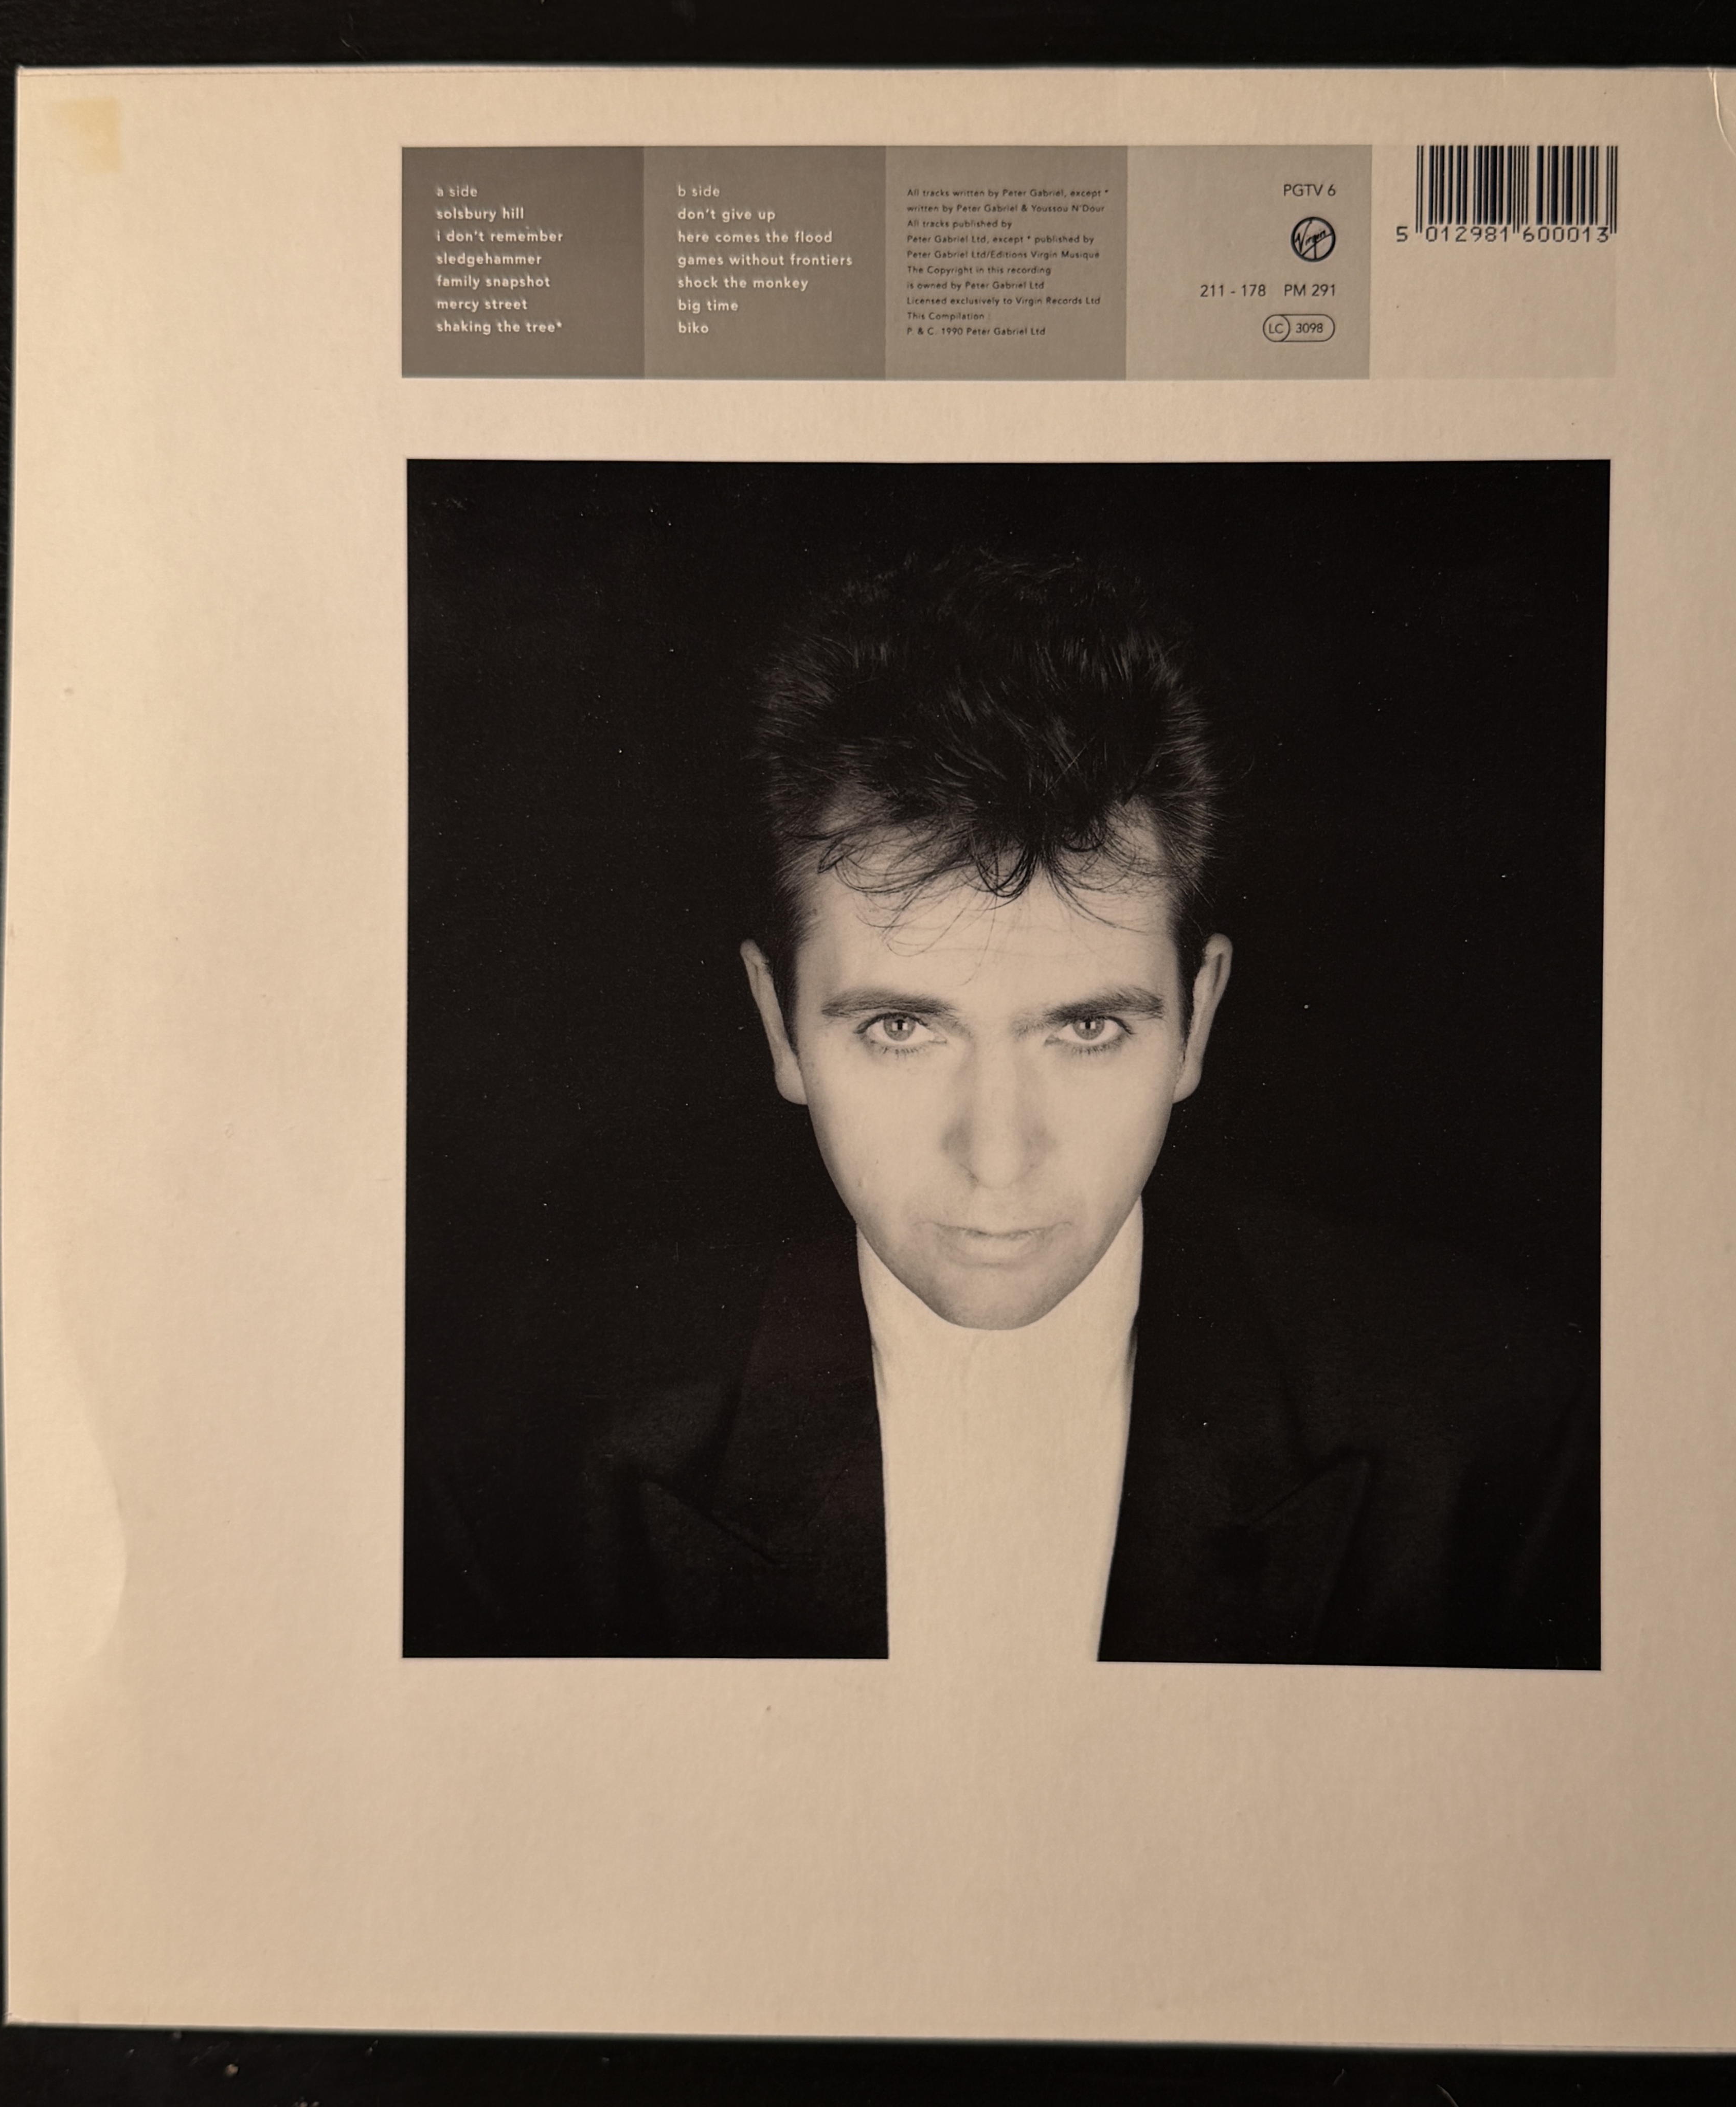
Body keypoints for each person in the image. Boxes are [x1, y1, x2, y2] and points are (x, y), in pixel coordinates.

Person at [406, 550, 1596, 1666]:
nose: (994, 1157)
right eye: (901, 1028)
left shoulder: (1493, 1442)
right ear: (779, 1026)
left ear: (1197, 1021)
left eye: (1084, 1029)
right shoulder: (520, 1459)